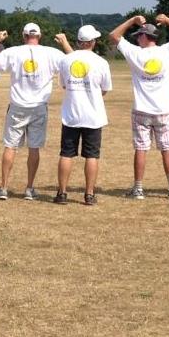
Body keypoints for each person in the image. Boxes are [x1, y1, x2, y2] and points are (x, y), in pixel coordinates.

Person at [109, 14, 169, 200]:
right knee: (167, 148)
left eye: (139, 35)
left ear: (146, 37)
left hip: (141, 109)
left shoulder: (136, 54)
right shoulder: (167, 51)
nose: (137, 38)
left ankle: (138, 189)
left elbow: (114, 36)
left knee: (141, 148)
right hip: (164, 109)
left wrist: (132, 21)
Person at [0, 22, 67, 200]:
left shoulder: (14, 52)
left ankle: (4, 188)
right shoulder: (51, 53)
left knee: (10, 146)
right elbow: (74, 60)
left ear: (24, 36)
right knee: (34, 148)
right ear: (40, 36)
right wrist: (65, 43)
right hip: (39, 106)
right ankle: (29, 188)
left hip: (17, 106)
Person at [53, 25, 112, 206]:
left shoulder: (66, 60)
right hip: (93, 116)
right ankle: (89, 194)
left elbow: (64, 85)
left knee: (66, 154)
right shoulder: (101, 62)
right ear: (92, 42)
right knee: (92, 155)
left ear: (79, 42)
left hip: (71, 114)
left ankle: (62, 193)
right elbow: (105, 89)